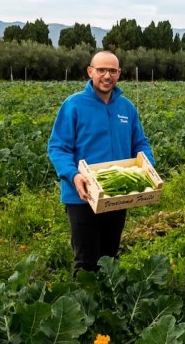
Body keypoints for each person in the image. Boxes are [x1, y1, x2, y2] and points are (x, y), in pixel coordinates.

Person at [48, 50, 155, 274]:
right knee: (86, 261)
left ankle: (109, 304)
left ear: (119, 74)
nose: (107, 76)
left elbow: (141, 143)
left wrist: (147, 165)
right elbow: (58, 148)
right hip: (82, 196)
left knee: (109, 257)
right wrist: (73, 175)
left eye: (112, 71)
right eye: (101, 70)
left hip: (116, 195)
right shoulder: (74, 105)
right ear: (90, 72)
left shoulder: (126, 108)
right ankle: (84, 308)